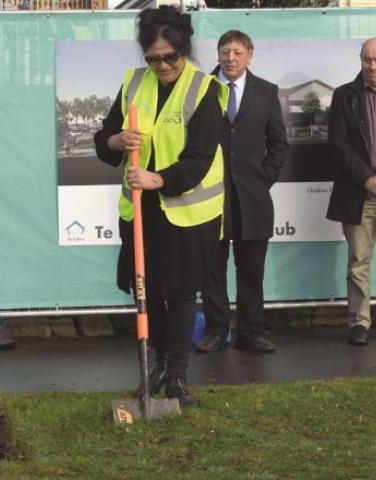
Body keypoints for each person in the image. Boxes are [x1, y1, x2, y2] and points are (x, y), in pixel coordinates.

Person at [94, 6, 228, 406]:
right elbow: (104, 139)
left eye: (170, 56)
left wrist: (159, 178)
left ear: (184, 50)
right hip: (141, 211)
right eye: (153, 58)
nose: (163, 65)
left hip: (189, 211)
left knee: (183, 293)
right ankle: (157, 365)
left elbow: (200, 158)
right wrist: (116, 142)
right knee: (147, 291)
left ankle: (178, 374)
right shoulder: (134, 83)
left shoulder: (204, 88)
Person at [195, 31, 289, 354]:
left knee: (251, 271)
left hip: (253, 198)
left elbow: (278, 143)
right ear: (218, 55)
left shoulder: (266, 91)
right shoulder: (200, 89)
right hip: (209, 198)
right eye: (224, 51)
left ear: (250, 54)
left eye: (237, 52)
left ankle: (251, 332)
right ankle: (217, 332)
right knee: (212, 270)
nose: (230, 58)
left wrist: (263, 178)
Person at [327, 37, 376, 346]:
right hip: (360, 192)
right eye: (367, 59)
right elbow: (338, 145)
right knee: (358, 260)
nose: (372, 66)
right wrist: (367, 179)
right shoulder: (344, 96)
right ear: (360, 60)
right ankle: (359, 322)